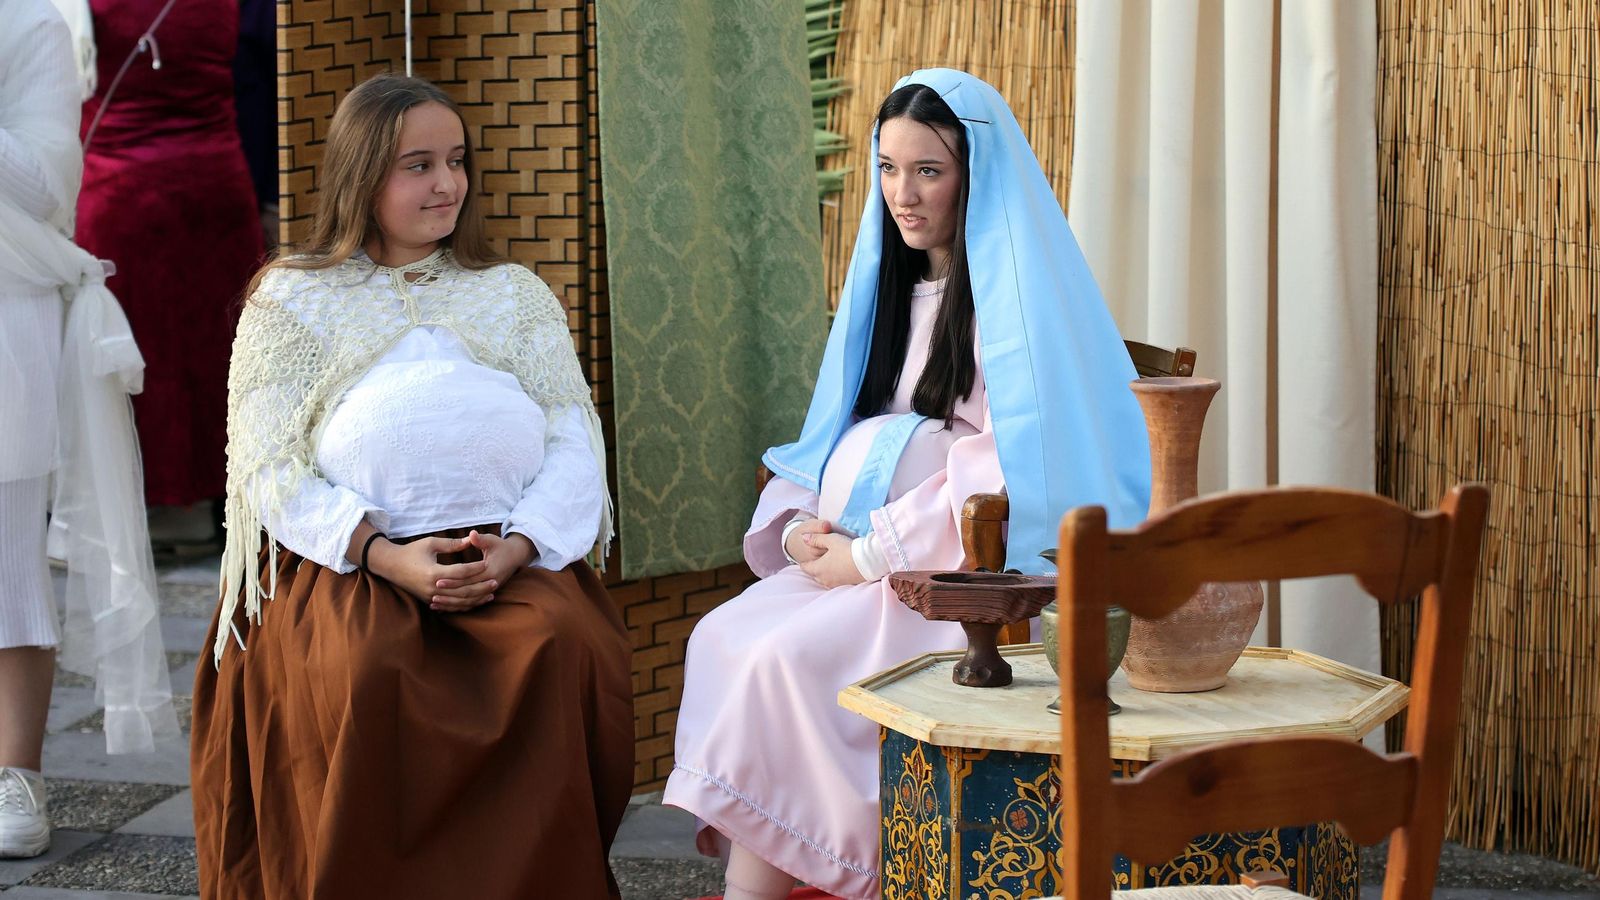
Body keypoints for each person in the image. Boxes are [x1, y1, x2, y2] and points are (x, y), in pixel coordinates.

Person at [662, 68, 1153, 899]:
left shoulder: (1017, 309)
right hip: (856, 559)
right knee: (722, 635)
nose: (903, 193)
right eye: (888, 168)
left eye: (929, 170)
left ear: (974, 173)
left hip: (954, 576)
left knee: (783, 661)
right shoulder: (890, 294)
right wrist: (799, 529)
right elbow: (828, 434)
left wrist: (869, 557)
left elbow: (1010, 468)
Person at [189, 74, 633, 899]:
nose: (447, 184)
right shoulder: (292, 298)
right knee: (366, 672)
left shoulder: (513, 295)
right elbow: (265, 466)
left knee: (564, 644)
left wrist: (518, 549)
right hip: (348, 566)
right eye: (418, 165)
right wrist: (382, 554)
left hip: (508, 556)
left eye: (457, 161)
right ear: (361, 175)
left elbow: (576, 439)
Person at [1, 0, 176, 859]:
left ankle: (15, 774)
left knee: (7, 556)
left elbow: (44, 185)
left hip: (8, 300)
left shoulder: (27, 22)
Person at [76, 0, 265, 546]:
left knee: (137, 351)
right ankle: (230, 497)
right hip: (215, 185)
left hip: (119, 192)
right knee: (220, 350)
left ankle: (142, 503)